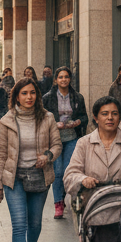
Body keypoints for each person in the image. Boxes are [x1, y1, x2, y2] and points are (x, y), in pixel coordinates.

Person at [0, 77, 63, 242]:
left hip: (40, 177)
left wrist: (48, 156)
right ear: (16, 96)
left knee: (35, 223)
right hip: (14, 178)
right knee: (19, 224)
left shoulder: (47, 118)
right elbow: (0, 154)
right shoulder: (7, 120)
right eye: (24, 93)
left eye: (32, 92)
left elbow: (57, 144)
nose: (29, 97)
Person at [43, 66, 89, 219]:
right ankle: (58, 203)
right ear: (56, 80)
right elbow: (42, 120)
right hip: (54, 140)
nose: (64, 80)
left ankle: (75, 199)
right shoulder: (48, 98)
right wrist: (54, 124)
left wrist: (77, 122)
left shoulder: (77, 97)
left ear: (70, 79)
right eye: (61, 77)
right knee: (57, 172)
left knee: (71, 170)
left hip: (72, 138)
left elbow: (85, 118)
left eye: (66, 77)